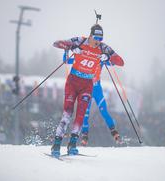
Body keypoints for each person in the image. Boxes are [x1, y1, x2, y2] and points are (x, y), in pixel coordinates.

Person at [51, 24, 124, 157]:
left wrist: (108, 58)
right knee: (67, 114)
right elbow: (57, 43)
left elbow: (120, 62)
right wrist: (72, 47)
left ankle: (72, 144)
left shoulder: (103, 48)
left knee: (81, 115)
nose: (97, 42)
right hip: (73, 82)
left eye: (100, 39)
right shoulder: (80, 40)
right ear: (90, 36)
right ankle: (56, 144)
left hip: (87, 84)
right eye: (95, 38)